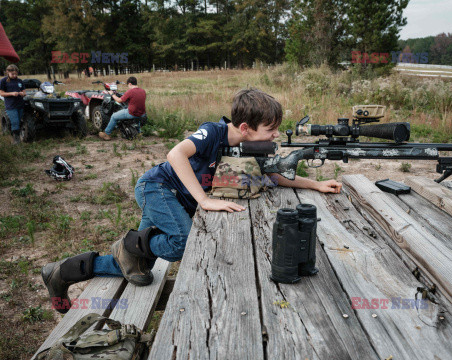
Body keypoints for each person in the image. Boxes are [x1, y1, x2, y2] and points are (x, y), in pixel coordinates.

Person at [42, 88, 342, 313]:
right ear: (245, 128)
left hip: (176, 199)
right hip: (157, 188)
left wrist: (316, 184)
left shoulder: (252, 148)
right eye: (270, 130)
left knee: (140, 263)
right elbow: (175, 154)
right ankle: (128, 246)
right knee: (185, 243)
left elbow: (273, 176)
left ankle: (62, 272)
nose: (275, 135)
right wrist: (204, 200)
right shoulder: (213, 132)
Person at [98, 76, 146, 141]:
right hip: (142, 114)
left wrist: (112, 94)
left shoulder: (130, 91)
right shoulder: (143, 91)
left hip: (132, 113)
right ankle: (139, 133)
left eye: (128, 85)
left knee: (114, 116)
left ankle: (107, 134)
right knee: (136, 116)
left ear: (130, 84)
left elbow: (118, 100)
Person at [0, 64, 26, 144]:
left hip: (20, 104)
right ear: (8, 72)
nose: (14, 75)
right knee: (15, 122)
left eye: (16, 74)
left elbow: (24, 92)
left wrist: (22, 93)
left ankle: (17, 135)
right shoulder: (3, 81)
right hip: (11, 105)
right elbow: (2, 93)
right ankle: (16, 141)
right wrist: (12, 93)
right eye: (12, 74)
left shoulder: (20, 81)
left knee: (19, 121)